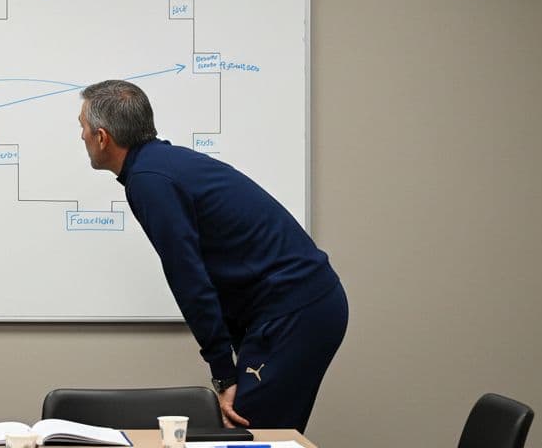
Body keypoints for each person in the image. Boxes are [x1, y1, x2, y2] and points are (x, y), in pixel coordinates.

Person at [78, 79, 347, 432]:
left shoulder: (150, 180)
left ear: (102, 137)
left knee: (246, 432)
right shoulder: (161, 165)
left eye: (82, 127)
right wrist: (231, 363)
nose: (80, 136)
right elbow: (215, 270)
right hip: (297, 307)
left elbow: (188, 278)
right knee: (252, 432)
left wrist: (224, 374)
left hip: (295, 310)